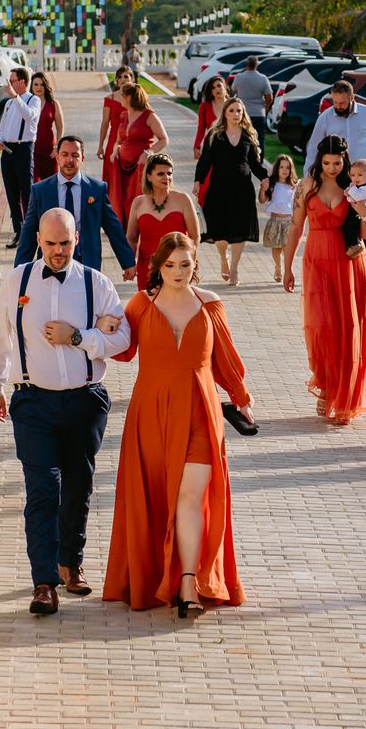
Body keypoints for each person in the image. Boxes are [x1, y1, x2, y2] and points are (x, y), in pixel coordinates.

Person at [0, 208, 131, 615]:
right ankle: (44, 582)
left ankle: (71, 563)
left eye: (65, 243)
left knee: (78, 486)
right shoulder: (18, 281)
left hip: (85, 400)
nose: (58, 251)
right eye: (50, 243)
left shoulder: (96, 283)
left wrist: (79, 337)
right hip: (33, 401)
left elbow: (123, 338)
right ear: (38, 241)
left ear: (77, 239)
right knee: (43, 488)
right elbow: (0, 336)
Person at [103, 230, 252, 615]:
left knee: (190, 495)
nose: (178, 272)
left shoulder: (210, 304)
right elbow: (122, 351)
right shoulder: (140, 304)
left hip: (201, 410)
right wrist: (103, 326)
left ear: (194, 264)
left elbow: (225, 359)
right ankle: (159, 577)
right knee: (157, 497)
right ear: (158, 267)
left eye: (185, 265)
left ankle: (188, 583)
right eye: (170, 265)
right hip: (150, 413)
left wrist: (241, 399)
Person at [282, 135, 366, 425]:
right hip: (317, 260)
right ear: (319, 161)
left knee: (347, 328)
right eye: (327, 163)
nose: (332, 168)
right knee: (321, 327)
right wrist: (287, 267)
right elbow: (296, 228)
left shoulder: (353, 187)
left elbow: (364, 234)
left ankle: (345, 396)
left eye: (337, 163)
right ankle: (326, 386)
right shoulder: (306, 186)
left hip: (348, 262)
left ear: (345, 161)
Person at [15, 135, 137, 280]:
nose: (69, 160)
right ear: (57, 157)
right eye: (64, 154)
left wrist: (128, 262)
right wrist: (19, 271)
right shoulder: (40, 191)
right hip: (52, 263)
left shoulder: (96, 189)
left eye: (75, 155)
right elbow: (29, 233)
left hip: (87, 264)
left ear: (82, 158)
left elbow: (113, 229)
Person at [193, 97, 268, 285]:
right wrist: (198, 180)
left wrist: (265, 177)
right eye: (232, 110)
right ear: (225, 113)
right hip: (219, 189)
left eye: (239, 111)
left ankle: (234, 269)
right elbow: (205, 160)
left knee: (240, 229)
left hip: (243, 190)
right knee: (219, 231)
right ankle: (223, 259)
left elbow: (254, 163)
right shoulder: (215, 134)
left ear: (243, 113)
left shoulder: (248, 135)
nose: (236, 114)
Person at [305, 80, 366, 201]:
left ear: (352, 97)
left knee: (362, 211)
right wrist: (308, 177)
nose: (338, 106)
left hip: (362, 179)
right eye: (335, 102)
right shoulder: (325, 117)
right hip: (335, 177)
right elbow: (313, 149)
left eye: (342, 103)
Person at [126, 152, 198, 291]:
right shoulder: (138, 203)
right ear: (149, 176)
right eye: (161, 174)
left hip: (176, 268)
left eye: (169, 173)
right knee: (150, 302)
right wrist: (129, 264)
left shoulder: (183, 199)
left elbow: (194, 237)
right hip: (147, 267)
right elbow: (131, 238)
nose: (167, 177)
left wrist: (189, 262)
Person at [0, 66, 44, 248]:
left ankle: (33, 231)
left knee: (26, 190)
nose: (9, 84)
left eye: (12, 80)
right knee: (11, 192)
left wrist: (16, 97)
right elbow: (3, 125)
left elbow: (29, 116)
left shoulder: (33, 100)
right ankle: (19, 231)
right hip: (8, 150)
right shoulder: (9, 103)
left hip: (24, 148)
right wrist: (0, 138)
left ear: (22, 82)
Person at [111, 83, 168, 228]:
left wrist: (148, 152)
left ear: (129, 97)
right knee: (122, 197)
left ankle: (140, 226)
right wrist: (115, 150)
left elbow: (164, 139)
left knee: (137, 196)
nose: (119, 98)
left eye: (122, 95)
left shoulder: (149, 115)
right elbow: (119, 140)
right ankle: (124, 229)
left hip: (140, 165)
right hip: (122, 164)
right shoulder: (124, 115)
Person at [192, 74, 230, 209]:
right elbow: (201, 128)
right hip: (212, 148)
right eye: (213, 88)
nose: (217, 89)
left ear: (225, 87)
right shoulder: (205, 106)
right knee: (207, 180)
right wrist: (197, 146)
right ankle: (206, 208)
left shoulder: (234, 105)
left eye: (219, 86)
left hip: (231, 148)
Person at [98, 65, 137, 195]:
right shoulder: (109, 99)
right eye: (119, 77)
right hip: (113, 142)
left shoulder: (137, 99)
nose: (123, 79)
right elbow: (104, 123)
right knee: (112, 179)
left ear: (132, 79)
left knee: (129, 180)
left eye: (126, 76)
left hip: (132, 143)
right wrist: (100, 146)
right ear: (116, 80)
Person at [260, 155, 297, 284]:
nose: (284, 170)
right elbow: (262, 200)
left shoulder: (293, 186)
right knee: (276, 249)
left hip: (288, 222)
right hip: (275, 221)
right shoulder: (272, 184)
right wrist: (262, 190)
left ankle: (288, 271)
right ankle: (278, 267)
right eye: (282, 167)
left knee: (287, 249)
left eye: (287, 167)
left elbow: (296, 205)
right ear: (277, 168)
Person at [29, 71, 64, 182]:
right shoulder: (26, 103)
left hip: (50, 151)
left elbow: (60, 127)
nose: (39, 87)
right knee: (33, 184)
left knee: (51, 184)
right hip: (31, 151)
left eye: (42, 84)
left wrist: (57, 147)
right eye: (36, 84)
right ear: (31, 86)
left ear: (46, 86)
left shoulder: (53, 103)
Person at [232, 55, 274, 144]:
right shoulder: (263, 78)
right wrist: (266, 108)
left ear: (246, 64)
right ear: (257, 65)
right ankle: (259, 153)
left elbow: (232, 92)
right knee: (259, 139)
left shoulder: (239, 77)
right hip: (259, 113)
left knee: (242, 138)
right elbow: (269, 97)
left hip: (243, 112)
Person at [341, 158, 366, 259]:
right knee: (349, 226)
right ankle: (353, 244)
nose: (355, 178)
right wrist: (348, 193)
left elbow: (358, 197)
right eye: (352, 175)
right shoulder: (359, 186)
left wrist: (351, 189)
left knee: (351, 226)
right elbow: (351, 197)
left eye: (359, 175)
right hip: (356, 210)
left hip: (361, 212)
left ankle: (355, 245)